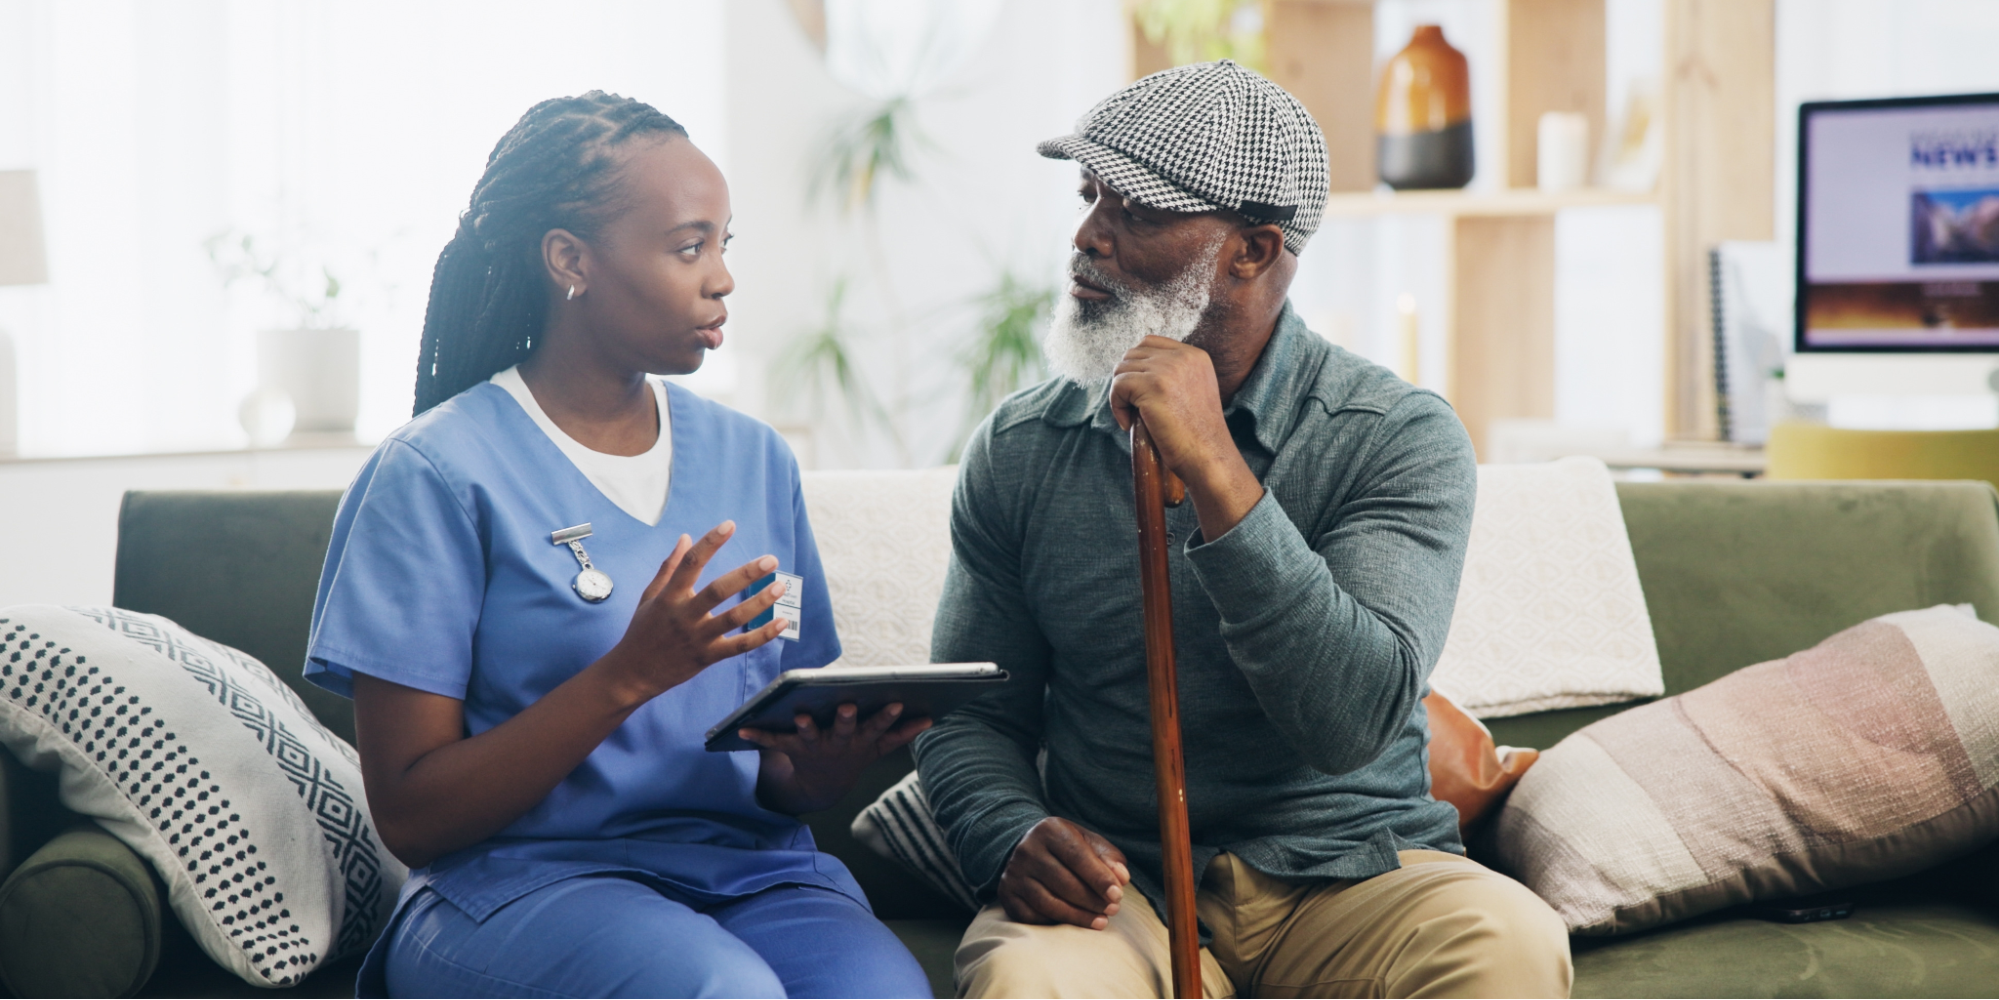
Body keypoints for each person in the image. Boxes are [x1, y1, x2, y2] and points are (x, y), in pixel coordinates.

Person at [914, 62, 1572, 999]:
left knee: (1507, 942)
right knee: (1036, 985)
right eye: (1089, 195)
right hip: (1121, 889)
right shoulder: (1023, 448)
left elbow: (1350, 720)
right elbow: (973, 714)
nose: (1086, 237)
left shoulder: (1398, 438)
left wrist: (1217, 469)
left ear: (1253, 251)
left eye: (1134, 213)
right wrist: (1007, 832)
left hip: (1352, 875)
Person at [304, 91, 933, 999]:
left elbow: (777, 766)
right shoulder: (435, 473)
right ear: (570, 259)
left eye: (724, 244)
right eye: (688, 247)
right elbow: (412, 814)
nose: (721, 278)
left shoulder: (752, 459)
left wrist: (816, 766)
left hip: (750, 876)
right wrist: (630, 674)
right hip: (520, 887)